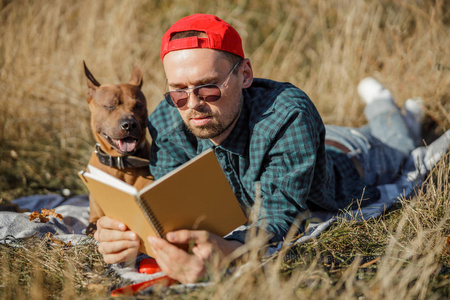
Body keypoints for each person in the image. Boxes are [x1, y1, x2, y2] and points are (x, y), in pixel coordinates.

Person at [94, 14, 422, 283]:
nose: (193, 105)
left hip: (352, 155)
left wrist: (232, 250)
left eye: (208, 88)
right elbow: (172, 207)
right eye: (178, 91)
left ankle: (387, 108)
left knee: (399, 143)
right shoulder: (167, 119)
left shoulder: (289, 115)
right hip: (308, 141)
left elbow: (280, 218)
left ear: (245, 75)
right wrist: (132, 238)